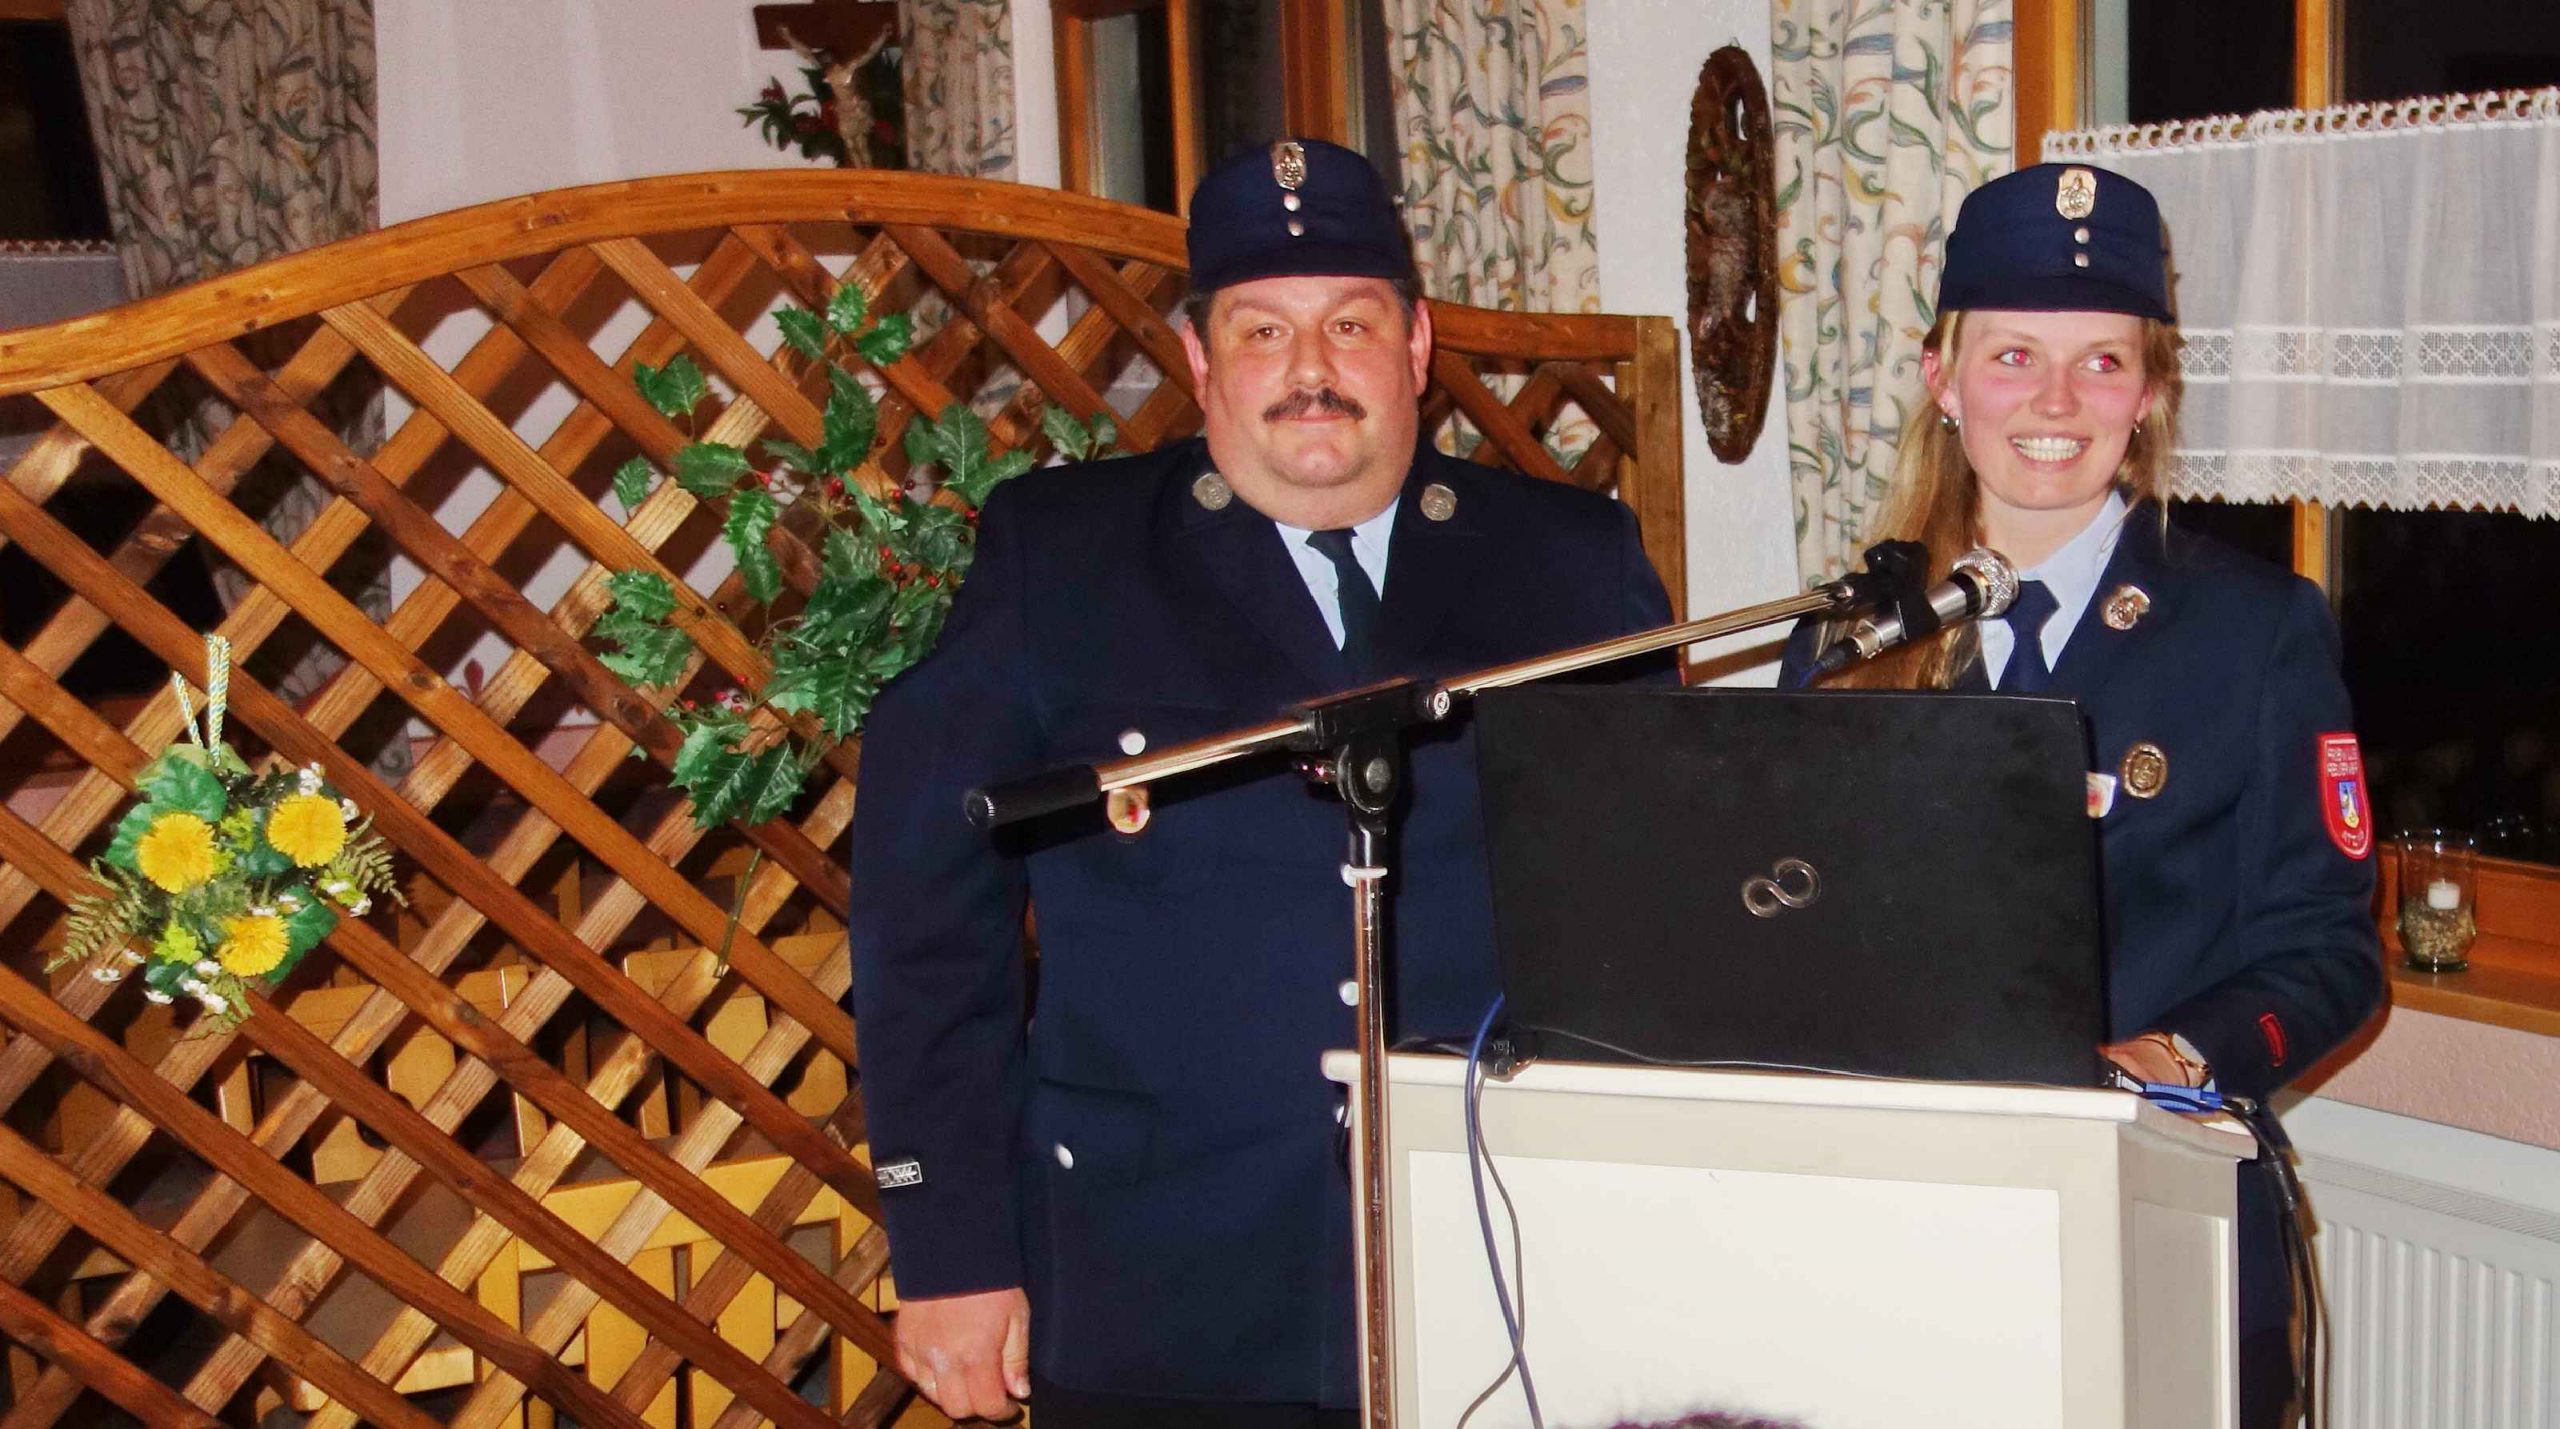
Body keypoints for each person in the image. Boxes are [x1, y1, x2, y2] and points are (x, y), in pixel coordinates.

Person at [847, 137, 1674, 1426]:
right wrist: (951, 1246)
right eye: (1261, 330)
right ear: (1198, 358)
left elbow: (1658, 908)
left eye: (1350, 324)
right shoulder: (1060, 558)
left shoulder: (1570, 562)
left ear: (1415, 345)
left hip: (1501, 1263)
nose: (1309, 370)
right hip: (1161, 1280)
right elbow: (926, 922)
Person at [1779, 163, 2384, 1428]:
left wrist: (2173, 1055)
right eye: (2012, 356)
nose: (2055, 401)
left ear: (2148, 391)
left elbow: (2329, 955)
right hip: (1907, 1237)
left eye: (2101, 362)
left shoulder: (2255, 630)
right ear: (1944, 379)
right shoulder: (1847, 639)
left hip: (2158, 1217)